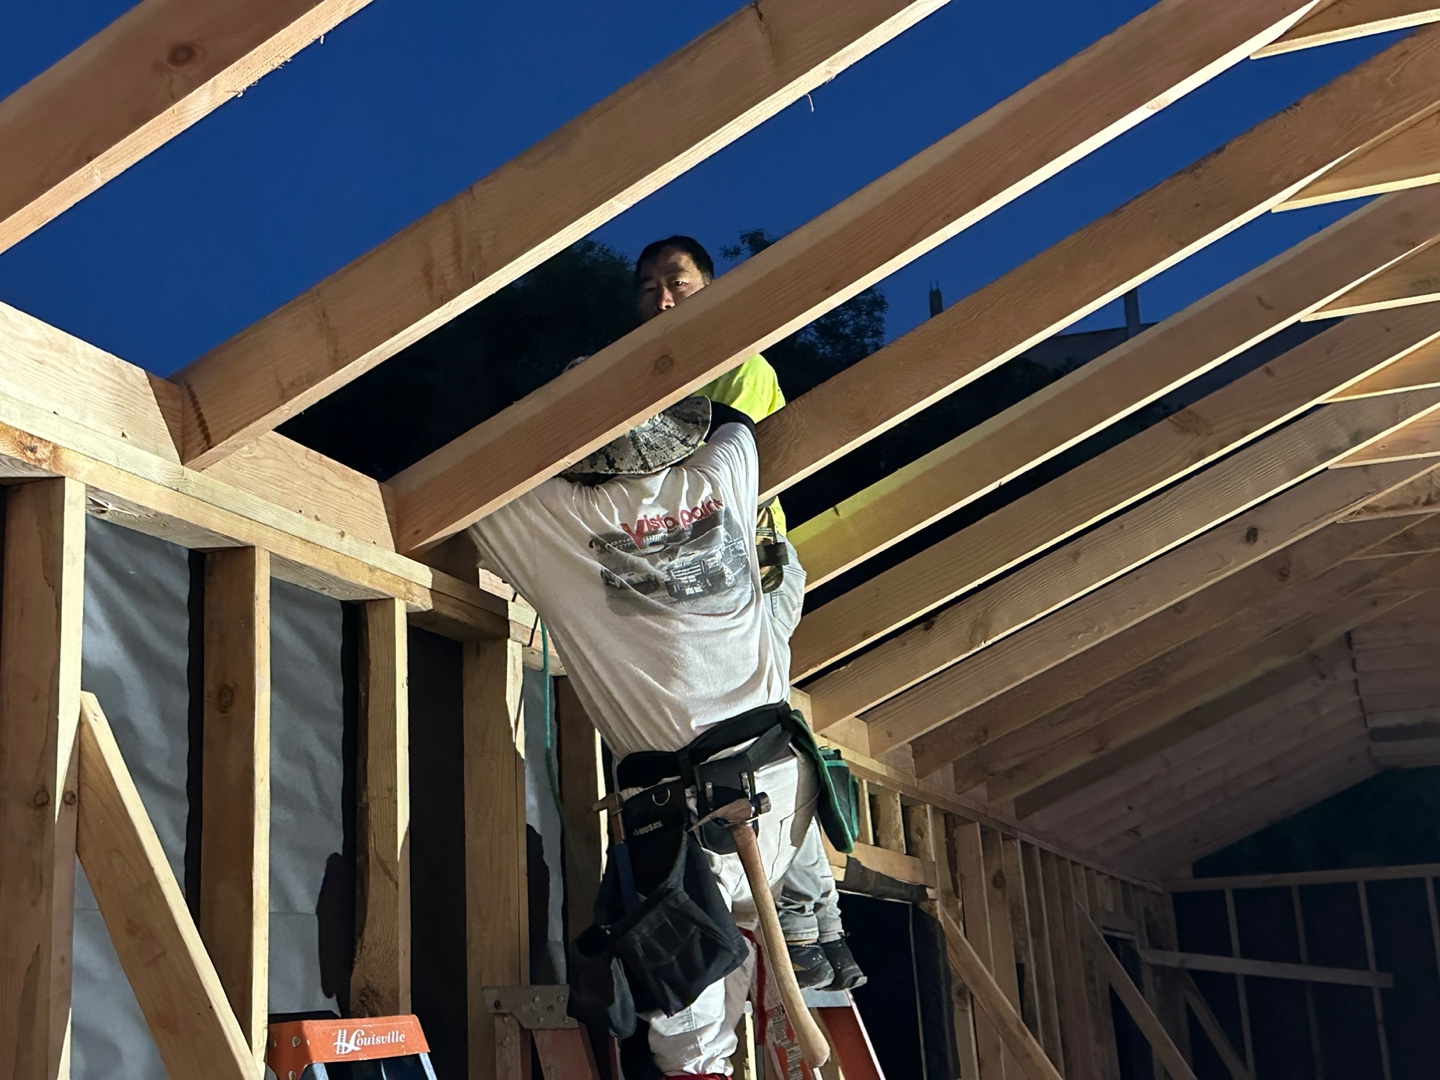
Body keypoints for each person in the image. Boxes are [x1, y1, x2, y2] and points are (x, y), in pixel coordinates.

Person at [469, 391, 821, 1078]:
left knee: (685, 1009)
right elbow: (736, 425)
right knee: (732, 930)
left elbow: (472, 487)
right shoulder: (717, 474)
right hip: (782, 778)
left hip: (697, 811)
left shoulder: (554, 516)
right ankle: (745, 986)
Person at [634, 236, 864, 993]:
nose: (662, 297)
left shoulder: (740, 367)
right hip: (708, 579)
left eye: (678, 281)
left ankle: (802, 920)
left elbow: (711, 466)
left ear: (711, 289)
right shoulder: (638, 384)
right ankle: (821, 925)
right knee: (757, 745)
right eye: (648, 287)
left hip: (753, 574)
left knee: (756, 746)